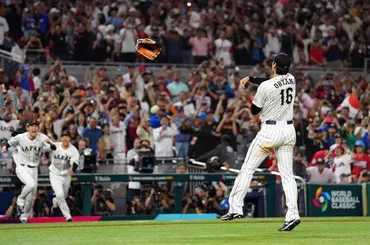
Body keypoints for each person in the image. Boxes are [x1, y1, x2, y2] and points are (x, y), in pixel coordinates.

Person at [221, 53, 301, 232]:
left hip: (270, 131)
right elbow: (273, 81)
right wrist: (252, 79)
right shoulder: (291, 79)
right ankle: (293, 215)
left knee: (248, 169)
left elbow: (254, 110)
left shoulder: (265, 87)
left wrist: (250, 90)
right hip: (288, 131)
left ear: (274, 65)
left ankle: (235, 208)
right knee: (287, 175)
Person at [1, 120, 57, 223]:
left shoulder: (42, 137)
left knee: (31, 197)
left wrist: (50, 143)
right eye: (32, 126)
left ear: (38, 128)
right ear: (28, 128)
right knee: (30, 185)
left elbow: (54, 148)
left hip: (34, 169)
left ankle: (24, 216)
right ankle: (20, 200)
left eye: (36, 126)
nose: (34, 128)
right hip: (22, 167)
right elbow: (9, 142)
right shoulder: (21, 137)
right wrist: (5, 147)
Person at [49, 132, 80, 222]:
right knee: (59, 194)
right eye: (63, 137)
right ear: (61, 138)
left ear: (70, 139)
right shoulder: (55, 146)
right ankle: (68, 216)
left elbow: (75, 163)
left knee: (63, 196)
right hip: (54, 173)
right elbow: (44, 146)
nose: (65, 139)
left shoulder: (73, 150)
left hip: (66, 175)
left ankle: (55, 203)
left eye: (67, 137)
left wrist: (73, 169)